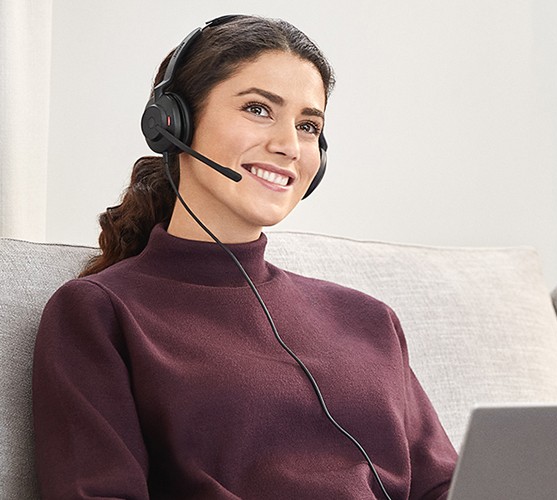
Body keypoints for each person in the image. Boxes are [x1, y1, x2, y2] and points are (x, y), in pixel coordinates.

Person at [32, 15, 457, 499]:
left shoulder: (371, 320)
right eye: (258, 109)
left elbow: (450, 488)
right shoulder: (99, 312)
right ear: (174, 122)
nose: (288, 146)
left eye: (308, 125)